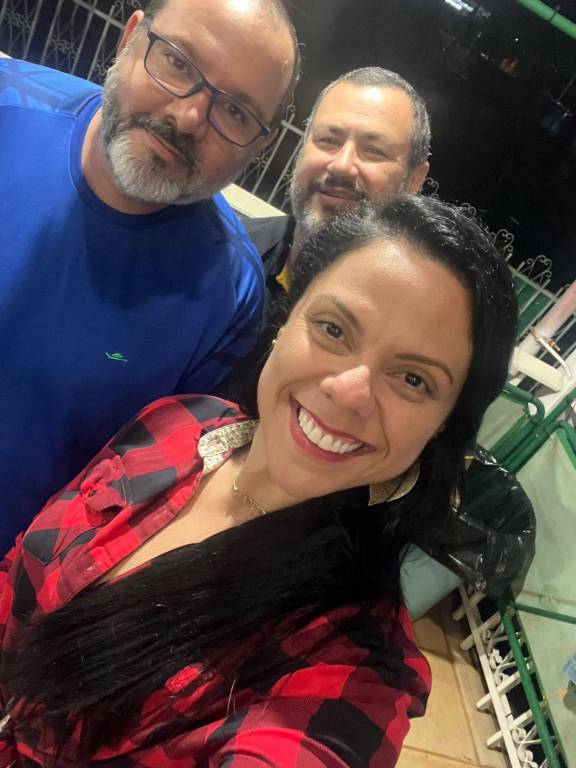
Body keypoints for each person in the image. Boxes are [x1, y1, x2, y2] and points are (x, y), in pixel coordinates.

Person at [0, 195, 518, 766]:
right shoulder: (176, 423)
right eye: (333, 328)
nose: (348, 391)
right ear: (287, 319)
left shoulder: (351, 665)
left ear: (443, 425)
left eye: (414, 379)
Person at [0, 0, 299, 554]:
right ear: (130, 38)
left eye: (235, 112)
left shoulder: (230, 294)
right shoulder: (9, 107)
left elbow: (135, 490)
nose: (188, 118)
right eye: (178, 63)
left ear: (261, 145)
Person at [243, 67, 431, 293]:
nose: (341, 166)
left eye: (373, 150)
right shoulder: (224, 256)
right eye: (328, 140)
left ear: (413, 181)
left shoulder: (407, 311)